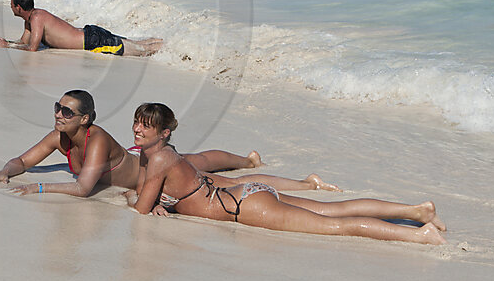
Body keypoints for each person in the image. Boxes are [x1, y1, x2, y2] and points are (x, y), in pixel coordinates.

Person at [127, 103, 447, 245]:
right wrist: (151, 200)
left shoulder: (158, 160)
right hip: (245, 195)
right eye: (137, 122)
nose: (138, 129)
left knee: (334, 226)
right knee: (332, 209)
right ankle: (414, 211)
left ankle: (418, 235)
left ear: (164, 132)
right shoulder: (156, 155)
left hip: (245, 207)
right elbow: (143, 194)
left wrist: (148, 202)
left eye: (146, 125)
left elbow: (140, 205)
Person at [0, 90, 338, 198]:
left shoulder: (97, 138)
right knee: (198, 158)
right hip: (139, 160)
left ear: (85, 119)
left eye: (67, 111)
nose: (59, 114)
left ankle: (300, 181)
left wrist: (40, 188)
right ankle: (247, 159)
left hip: (155, 172)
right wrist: (5, 172)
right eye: (58, 108)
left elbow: (84, 187)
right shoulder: (58, 138)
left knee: (214, 174)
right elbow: (24, 160)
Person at [0, 0, 162, 56]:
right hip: (90, 35)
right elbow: (24, 42)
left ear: (18, 7)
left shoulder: (37, 18)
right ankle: (169, 44)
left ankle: (176, 51)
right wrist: (6, 42)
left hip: (93, 42)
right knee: (140, 45)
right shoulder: (31, 19)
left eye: (11, 5)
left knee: (142, 50)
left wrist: (7, 46)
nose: (10, 8)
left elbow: (32, 48)